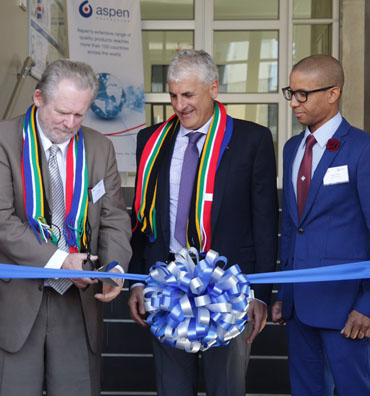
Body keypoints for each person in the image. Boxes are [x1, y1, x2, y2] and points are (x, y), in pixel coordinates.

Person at [0, 60, 132, 396]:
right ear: (38, 97)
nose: (70, 124)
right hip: (12, 301)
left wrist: (114, 267)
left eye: (80, 115)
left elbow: (113, 217)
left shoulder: (100, 148)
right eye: (62, 112)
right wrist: (59, 260)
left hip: (79, 301)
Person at [128, 49, 278, 396]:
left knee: (225, 388)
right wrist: (136, 281)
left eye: (188, 95)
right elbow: (142, 218)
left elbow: (265, 221)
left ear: (213, 88)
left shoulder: (251, 140)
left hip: (230, 291)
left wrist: (260, 293)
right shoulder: (150, 140)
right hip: (166, 289)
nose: (179, 106)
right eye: (173, 95)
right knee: (172, 389)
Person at [271, 54, 370, 395]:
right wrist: (284, 293)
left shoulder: (367, 150)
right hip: (300, 308)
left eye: (303, 94)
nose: (294, 103)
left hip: (349, 312)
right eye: (291, 92)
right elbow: (293, 227)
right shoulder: (291, 148)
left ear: (333, 93)